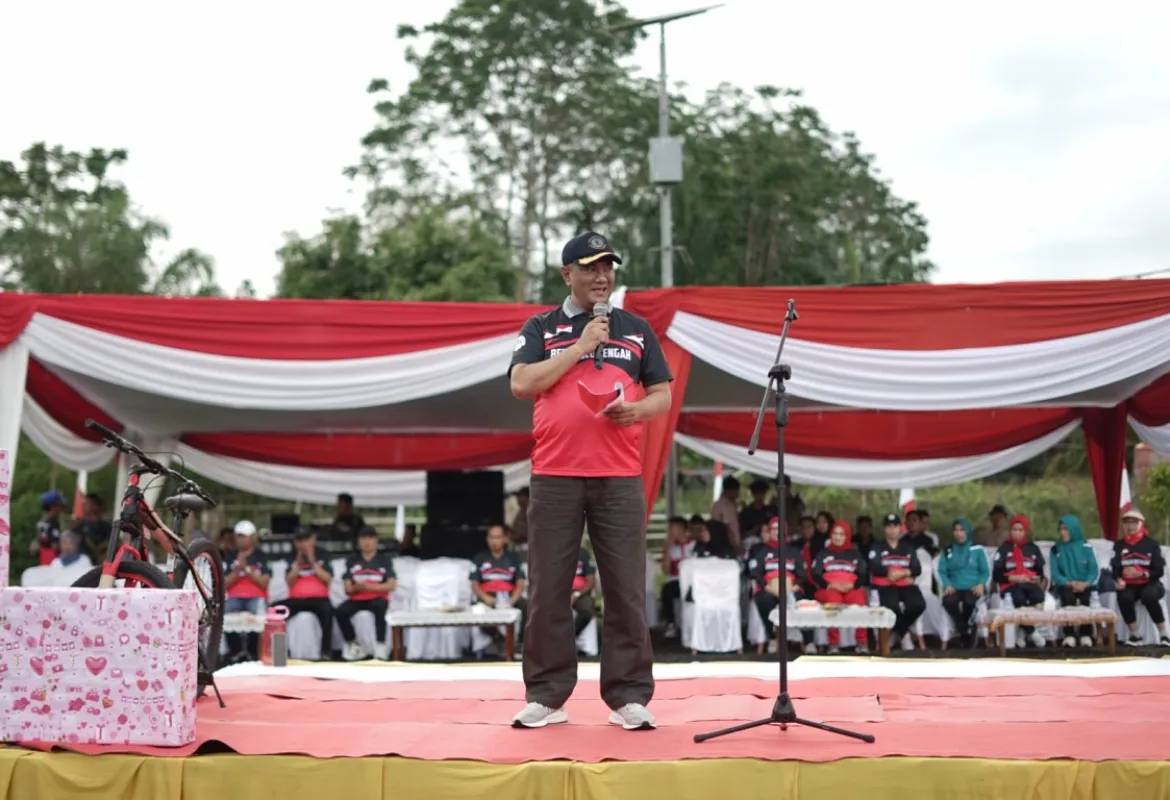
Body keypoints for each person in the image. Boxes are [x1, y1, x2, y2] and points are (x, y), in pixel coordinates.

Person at [507, 230, 672, 731]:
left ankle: (628, 695)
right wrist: (580, 347)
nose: (602, 277)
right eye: (590, 268)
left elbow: (662, 396)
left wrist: (636, 410)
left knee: (625, 589)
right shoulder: (542, 327)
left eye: (608, 267)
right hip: (555, 475)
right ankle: (547, 695)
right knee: (548, 589)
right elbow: (522, 383)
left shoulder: (636, 330)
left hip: (618, 477)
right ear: (567, 274)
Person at [272, 526, 335, 660]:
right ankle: (280, 652)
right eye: (299, 540)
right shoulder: (291, 557)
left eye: (306, 539)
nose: (303, 543)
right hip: (296, 599)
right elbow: (288, 582)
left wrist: (312, 561)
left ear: (313, 539)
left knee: (328, 611)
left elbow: (328, 580)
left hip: (319, 598)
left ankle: (326, 652)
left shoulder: (323, 554)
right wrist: (297, 564)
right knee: (275, 611)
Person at [747, 517, 807, 652]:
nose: (776, 532)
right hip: (768, 588)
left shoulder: (793, 551)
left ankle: (805, 640)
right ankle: (773, 636)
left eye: (779, 529)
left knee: (800, 600)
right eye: (773, 529)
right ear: (769, 531)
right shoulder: (762, 550)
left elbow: (802, 573)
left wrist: (795, 585)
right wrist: (767, 587)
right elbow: (755, 572)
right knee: (764, 600)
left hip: (790, 587)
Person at [1112, 508, 1170, 646]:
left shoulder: (1152, 544)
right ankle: (1135, 635)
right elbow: (1115, 567)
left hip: (1150, 583)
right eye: (1126, 523)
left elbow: (1159, 571)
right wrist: (1118, 579)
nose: (1130, 526)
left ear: (1141, 524)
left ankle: (1164, 635)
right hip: (1130, 584)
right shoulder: (1119, 545)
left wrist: (1143, 573)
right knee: (1123, 596)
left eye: (1134, 523)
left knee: (1149, 595)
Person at [336, 526, 396, 661]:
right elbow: (347, 589)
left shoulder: (384, 560)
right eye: (363, 538)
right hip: (358, 597)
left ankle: (380, 645)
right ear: (358, 541)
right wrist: (359, 587)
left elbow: (391, 585)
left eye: (370, 538)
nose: (367, 542)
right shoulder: (352, 561)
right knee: (340, 611)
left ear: (376, 540)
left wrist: (370, 587)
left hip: (378, 597)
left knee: (380, 606)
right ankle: (354, 644)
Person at [868, 512, 926, 650]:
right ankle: (904, 634)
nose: (892, 530)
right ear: (884, 529)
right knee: (892, 607)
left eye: (895, 526)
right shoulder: (877, 546)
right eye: (889, 526)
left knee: (918, 605)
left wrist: (904, 573)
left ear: (900, 528)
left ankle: (898, 631)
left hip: (905, 584)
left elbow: (917, 568)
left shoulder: (907, 547)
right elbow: (874, 566)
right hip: (885, 584)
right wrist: (889, 573)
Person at [811, 521, 868, 653]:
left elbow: (863, 574)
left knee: (860, 601)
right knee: (833, 602)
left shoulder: (855, 554)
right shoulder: (823, 554)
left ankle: (862, 642)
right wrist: (830, 585)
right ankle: (833, 644)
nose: (837, 537)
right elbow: (815, 574)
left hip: (851, 588)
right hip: (829, 589)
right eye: (835, 534)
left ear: (847, 536)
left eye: (841, 534)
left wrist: (853, 585)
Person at [470, 524, 528, 655]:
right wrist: (485, 597)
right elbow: (474, 583)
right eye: (491, 537)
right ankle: (500, 639)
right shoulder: (480, 558)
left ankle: (521, 643)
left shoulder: (514, 558)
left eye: (498, 537)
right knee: (477, 611)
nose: (494, 541)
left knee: (527, 606)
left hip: (508, 594)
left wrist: (513, 599)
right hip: (487, 595)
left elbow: (520, 582)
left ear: (505, 539)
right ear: (487, 539)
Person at [992, 514, 1046, 649]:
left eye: (1021, 530)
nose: (1017, 533)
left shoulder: (1033, 548)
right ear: (1010, 530)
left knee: (1038, 596)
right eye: (1014, 529)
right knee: (1019, 598)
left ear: (1025, 531)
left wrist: (1036, 578)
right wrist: (1012, 578)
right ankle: (1032, 632)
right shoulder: (1004, 549)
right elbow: (996, 574)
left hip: (1029, 583)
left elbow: (1040, 572)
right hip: (1009, 584)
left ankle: (1022, 631)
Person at [937, 518, 989, 648]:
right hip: (954, 587)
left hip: (973, 586)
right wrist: (947, 584)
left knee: (969, 602)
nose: (959, 533)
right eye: (956, 530)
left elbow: (985, 571)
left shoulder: (977, 550)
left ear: (968, 532)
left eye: (962, 530)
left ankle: (963, 631)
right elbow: (942, 570)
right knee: (948, 601)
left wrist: (981, 584)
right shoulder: (948, 550)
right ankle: (964, 630)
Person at [223, 521, 270, 662]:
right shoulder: (230, 557)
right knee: (223, 616)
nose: (240, 539)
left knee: (259, 618)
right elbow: (224, 584)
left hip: (256, 596)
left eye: (243, 536)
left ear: (253, 537)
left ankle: (253, 652)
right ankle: (236, 652)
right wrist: (237, 570)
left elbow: (264, 582)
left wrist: (247, 569)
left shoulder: (261, 556)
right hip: (234, 596)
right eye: (238, 536)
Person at [659, 516, 692, 638]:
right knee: (666, 590)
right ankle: (671, 623)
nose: (669, 532)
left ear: (681, 529)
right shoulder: (671, 548)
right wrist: (667, 550)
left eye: (671, 528)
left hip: (692, 581)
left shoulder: (693, 544)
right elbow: (665, 570)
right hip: (676, 580)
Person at [29, 490, 65, 566]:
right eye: (59, 505)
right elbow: (55, 546)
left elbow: (38, 541)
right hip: (54, 560)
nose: (61, 508)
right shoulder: (53, 523)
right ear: (52, 507)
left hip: (44, 559)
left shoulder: (41, 522)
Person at [72, 493, 112, 561]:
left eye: (88, 503)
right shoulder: (79, 524)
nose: (85, 505)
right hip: (81, 560)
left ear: (96, 505)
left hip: (99, 561)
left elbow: (112, 544)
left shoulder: (106, 526)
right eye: (85, 503)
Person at [572, 547, 597, 638]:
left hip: (579, 592)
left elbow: (591, 582)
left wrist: (576, 594)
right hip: (559, 590)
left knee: (587, 609)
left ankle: (572, 635)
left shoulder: (583, 554)